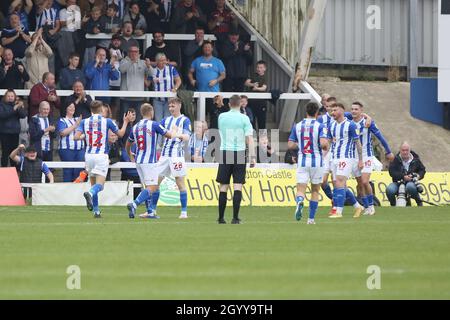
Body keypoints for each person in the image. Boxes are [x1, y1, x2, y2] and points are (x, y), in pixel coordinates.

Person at [74, 100, 133, 218]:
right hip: (101, 155)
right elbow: (120, 134)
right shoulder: (107, 121)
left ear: (91, 110)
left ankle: (96, 211)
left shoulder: (85, 122)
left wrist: (86, 135)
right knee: (100, 185)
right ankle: (90, 194)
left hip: (88, 156)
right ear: (101, 110)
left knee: (93, 183)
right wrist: (125, 121)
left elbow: (76, 137)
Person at [125, 102, 183, 219]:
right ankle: (134, 204)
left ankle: (150, 211)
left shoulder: (136, 126)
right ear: (151, 112)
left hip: (139, 161)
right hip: (149, 161)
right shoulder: (154, 124)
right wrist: (175, 131)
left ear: (141, 113)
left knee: (146, 187)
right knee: (152, 187)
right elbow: (169, 135)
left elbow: (128, 142)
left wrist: (129, 153)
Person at [148, 98, 191, 219]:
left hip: (177, 156)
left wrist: (176, 134)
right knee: (156, 183)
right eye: (170, 106)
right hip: (164, 155)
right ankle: (153, 210)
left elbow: (187, 137)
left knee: (180, 183)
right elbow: (157, 130)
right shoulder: (166, 120)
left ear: (179, 105)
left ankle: (183, 212)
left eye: (173, 106)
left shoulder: (185, 120)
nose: (171, 108)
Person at [216, 95, 255, 224]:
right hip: (239, 152)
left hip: (225, 152)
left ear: (229, 104)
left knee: (223, 186)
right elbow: (249, 138)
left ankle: (221, 218)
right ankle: (235, 218)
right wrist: (252, 157)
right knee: (238, 185)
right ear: (240, 104)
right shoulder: (244, 118)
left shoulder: (222, 117)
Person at [287, 102, 329, 225]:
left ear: (306, 111)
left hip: (303, 161)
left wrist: (300, 145)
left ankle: (300, 201)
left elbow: (290, 145)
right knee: (315, 190)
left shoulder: (298, 126)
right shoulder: (320, 126)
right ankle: (311, 219)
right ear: (317, 112)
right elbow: (323, 144)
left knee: (301, 189)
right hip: (317, 161)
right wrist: (325, 145)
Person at [351, 102, 394, 215]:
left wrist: (388, 151)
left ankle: (371, 206)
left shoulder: (368, 123)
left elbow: (380, 137)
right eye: (352, 109)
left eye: (356, 109)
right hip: (354, 157)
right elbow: (341, 113)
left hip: (367, 156)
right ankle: (366, 206)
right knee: (360, 185)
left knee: (365, 182)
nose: (354, 111)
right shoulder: (349, 122)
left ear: (361, 110)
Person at [327, 103, 364, 219]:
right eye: (331, 111)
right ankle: (357, 206)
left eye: (335, 110)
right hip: (334, 158)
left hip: (346, 157)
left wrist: (361, 160)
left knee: (339, 182)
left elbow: (358, 143)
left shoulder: (351, 125)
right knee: (338, 185)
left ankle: (338, 211)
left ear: (342, 111)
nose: (332, 113)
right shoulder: (331, 125)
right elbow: (329, 141)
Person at [119, 44, 153, 123]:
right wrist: (132, 61)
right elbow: (122, 69)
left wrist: (149, 66)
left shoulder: (143, 62)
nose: (134, 53)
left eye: (136, 51)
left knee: (138, 120)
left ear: (139, 53)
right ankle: (125, 135)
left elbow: (152, 74)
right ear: (128, 52)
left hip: (139, 97)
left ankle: (137, 135)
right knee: (124, 120)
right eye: (132, 51)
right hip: (125, 97)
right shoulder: (124, 61)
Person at [386, 142, 426, 207]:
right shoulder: (395, 159)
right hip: (398, 182)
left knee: (410, 187)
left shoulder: (415, 159)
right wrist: (403, 177)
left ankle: (418, 201)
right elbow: (392, 172)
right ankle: (393, 205)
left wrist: (418, 176)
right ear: (400, 150)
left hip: (411, 182)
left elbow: (422, 170)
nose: (405, 152)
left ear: (409, 150)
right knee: (389, 190)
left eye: (406, 150)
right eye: (403, 150)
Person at [149, 52, 181, 122]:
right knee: (158, 120)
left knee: (168, 120)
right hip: (157, 100)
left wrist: (175, 88)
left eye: (164, 60)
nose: (163, 62)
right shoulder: (153, 70)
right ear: (157, 61)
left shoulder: (171, 69)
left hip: (169, 100)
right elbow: (148, 83)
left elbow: (178, 80)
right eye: (161, 60)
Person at [57, 103, 84, 182]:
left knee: (79, 170)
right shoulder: (62, 120)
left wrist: (81, 136)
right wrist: (75, 125)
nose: (72, 108)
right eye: (70, 107)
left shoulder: (78, 119)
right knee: (68, 171)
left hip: (80, 149)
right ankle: (67, 191)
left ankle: (77, 191)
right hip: (67, 149)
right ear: (65, 108)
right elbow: (62, 132)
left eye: (73, 107)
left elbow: (84, 132)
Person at [0, 89, 27, 167]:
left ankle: (14, 170)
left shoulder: (16, 104)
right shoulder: (2, 105)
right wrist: (14, 108)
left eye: (12, 96)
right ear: (5, 97)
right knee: (5, 152)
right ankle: (4, 170)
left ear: (15, 97)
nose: (10, 98)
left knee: (14, 152)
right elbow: (3, 115)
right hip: (5, 132)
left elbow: (23, 115)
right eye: (8, 96)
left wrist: (20, 107)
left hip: (15, 132)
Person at [245, 60, 268, 130]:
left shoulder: (265, 77)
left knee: (262, 122)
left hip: (261, 102)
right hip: (251, 102)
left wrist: (256, 88)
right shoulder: (253, 75)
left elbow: (264, 88)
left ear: (264, 69)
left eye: (261, 67)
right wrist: (253, 84)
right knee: (251, 122)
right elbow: (246, 83)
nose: (259, 69)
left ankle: (262, 139)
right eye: (258, 67)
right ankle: (253, 138)